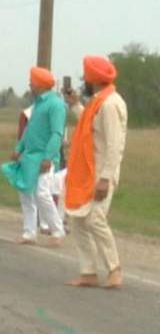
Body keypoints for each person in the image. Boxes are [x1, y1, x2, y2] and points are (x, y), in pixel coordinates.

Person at [63, 56, 128, 289]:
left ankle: (114, 268)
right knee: (78, 219)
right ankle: (88, 271)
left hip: (101, 172)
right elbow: (90, 125)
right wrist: (75, 105)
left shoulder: (110, 103)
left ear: (93, 78)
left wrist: (105, 179)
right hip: (88, 171)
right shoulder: (99, 102)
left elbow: (113, 145)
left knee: (95, 218)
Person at [1, 67, 66, 246]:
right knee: (25, 194)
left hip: (43, 158)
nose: (30, 85)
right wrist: (19, 148)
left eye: (32, 82)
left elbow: (56, 134)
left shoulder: (56, 104)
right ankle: (29, 233)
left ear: (39, 84)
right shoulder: (38, 103)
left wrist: (49, 157)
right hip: (29, 156)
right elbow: (29, 130)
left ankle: (57, 231)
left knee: (42, 193)